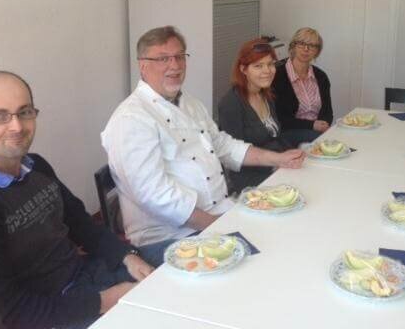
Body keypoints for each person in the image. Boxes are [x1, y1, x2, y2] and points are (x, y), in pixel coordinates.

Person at [0, 71, 164, 329]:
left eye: (24, 112)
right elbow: (8, 312)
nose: (17, 126)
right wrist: (105, 301)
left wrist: (126, 255)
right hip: (45, 313)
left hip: (84, 276)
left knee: (182, 263)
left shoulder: (36, 165)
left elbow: (80, 222)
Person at [101, 26, 305, 247]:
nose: (175, 65)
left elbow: (222, 145)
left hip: (220, 210)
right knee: (270, 246)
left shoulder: (189, 103)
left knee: (289, 226)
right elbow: (155, 195)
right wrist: (218, 226)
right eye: (163, 59)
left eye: (180, 56)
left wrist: (278, 159)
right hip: (172, 237)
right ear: (143, 65)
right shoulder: (131, 119)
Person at [218, 38, 293, 193]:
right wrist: (277, 163)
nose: (267, 71)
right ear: (243, 69)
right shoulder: (231, 104)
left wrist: (292, 155)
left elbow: (276, 137)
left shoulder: (265, 94)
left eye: (270, 64)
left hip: (275, 166)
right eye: (258, 66)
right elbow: (233, 157)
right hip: (249, 179)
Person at [272, 27, 333, 146]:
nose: (306, 49)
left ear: (317, 51)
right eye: (301, 43)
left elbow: (327, 112)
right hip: (288, 132)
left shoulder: (321, 77)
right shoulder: (277, 76)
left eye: (312, 45)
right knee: (323, 142)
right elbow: (279, 118)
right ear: (293, 46)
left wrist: (323, 125)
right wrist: (312, 125)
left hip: (316, 132)